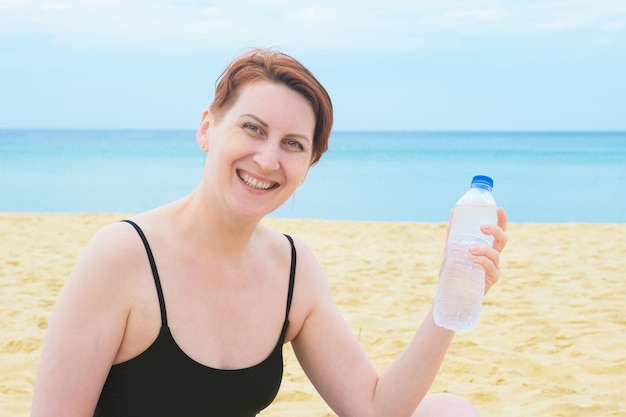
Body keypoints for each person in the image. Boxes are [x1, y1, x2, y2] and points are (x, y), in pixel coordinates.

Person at [31, 48, 509, 417]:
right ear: (207, 127)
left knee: (451, 411)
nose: (267, 159)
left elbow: (375, 408)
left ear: (308, 165)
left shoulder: (292, 269)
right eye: (252, 128)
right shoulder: (122, 256)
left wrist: (451, 297)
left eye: (292, 144)